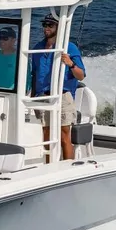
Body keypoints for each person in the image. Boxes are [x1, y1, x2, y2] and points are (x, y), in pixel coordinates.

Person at [30, 13, 86, 161]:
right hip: (43, 96)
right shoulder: (37, 48)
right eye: (45, 25)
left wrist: (70, 64)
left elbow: (81, 75)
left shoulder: (70, 48)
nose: (46, 28)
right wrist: (33, 97)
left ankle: (68, 168)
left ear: (58, 27)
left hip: (63, 96)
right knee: (46, 135)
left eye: (50, 25)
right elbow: (34, 74)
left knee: (64, 134)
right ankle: (49, 167)